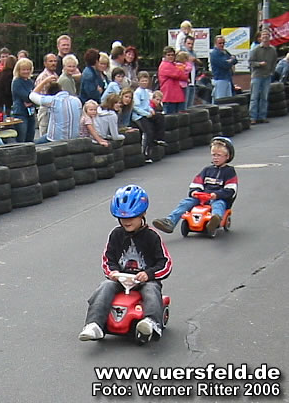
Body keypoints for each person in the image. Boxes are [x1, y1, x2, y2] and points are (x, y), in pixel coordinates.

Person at [78, 184, 172, 342]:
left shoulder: (152, 236)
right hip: (121, 280)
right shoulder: (116, 235)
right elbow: (108, 259)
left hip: (145, 280)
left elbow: (165, 263)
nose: (127, 222)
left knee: (151, 289)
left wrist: (148, 274)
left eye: (131, 217)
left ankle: (151, 322)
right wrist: (113, 272)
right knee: (105, 286)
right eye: (123, 218)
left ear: (142, 214)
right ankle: (94, 324)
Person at [153, 137, 237, 234]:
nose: (215, 158)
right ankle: (170, 221)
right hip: (202, 198)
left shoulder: (229, 172)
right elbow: (197, 182)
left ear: (227, 156)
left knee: (218, 204)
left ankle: (215, 220)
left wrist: (216, 195)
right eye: (213, 155)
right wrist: (195, 192)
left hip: (218, 198)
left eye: (219, 155)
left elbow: (231, 189)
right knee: (186, 202)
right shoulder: (207, 170)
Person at [30, 76, 82, 143]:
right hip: (74, 138)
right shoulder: (76, 100)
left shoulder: (53, 100)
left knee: (34, 144)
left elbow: (32, 96)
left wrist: (45, 81)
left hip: (56, 140)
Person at [133, 71, 167, 162]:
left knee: (160, 117)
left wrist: (151, 110)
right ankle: (146, 154)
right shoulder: (137, 93)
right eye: (142, 81)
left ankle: (159, 138)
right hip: (139, 116)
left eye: (146, 81)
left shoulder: (146, 92)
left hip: (147, 113)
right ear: (139, 82)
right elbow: (136, 107)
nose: (144, 83)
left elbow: (147, 104)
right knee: (148, 132)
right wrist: (146, 113)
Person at [248, 30, 278, 125]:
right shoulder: (255, 49)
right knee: (254, 97)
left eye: (267, 36)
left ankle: (262, 116)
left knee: (264, 97)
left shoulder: (273, 50)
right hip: (257, 76)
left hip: (267, 76)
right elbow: (250, 62)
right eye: (263, 36)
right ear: (260, 38)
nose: (265, 37)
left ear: (269, 37)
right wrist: (259, 64)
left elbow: (274, 62)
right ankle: (253, 117)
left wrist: (271, 72)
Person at [11, 58, 36, 142]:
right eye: (24, 70)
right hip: (20, 113)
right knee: (21, 138)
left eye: (28, 69)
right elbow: (26, 97)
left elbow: (36, 97)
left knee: (30, 137)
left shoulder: (30, 82)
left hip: (31, 113)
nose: (26, 72)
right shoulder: (17, 82)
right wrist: (31, 99)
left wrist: (32, 100)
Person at [158, 46, 188, 114]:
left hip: (176, 96)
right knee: (170, 117)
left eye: (172, 55)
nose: (171, 57)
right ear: (164, 56)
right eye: (168, 55)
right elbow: (181, 75)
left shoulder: (173, 65)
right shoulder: (165, 65)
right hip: (169, 96)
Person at [35, 53, 58, 138]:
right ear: (45, 63)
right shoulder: (43, 77)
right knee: (44, 133)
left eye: (55, 61)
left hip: (54, 108)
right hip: (45, 108)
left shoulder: (55, 75)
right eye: (50, 61)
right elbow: (37, 94)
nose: (53, 63)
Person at [210, 35, 237, 101]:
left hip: (227, 79)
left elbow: (235, 60)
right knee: (220, 101)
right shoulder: (214, 53)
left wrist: (230, 60)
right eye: (220, 43)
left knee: (228, 101)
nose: (222, 45)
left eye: (223, 43)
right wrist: (230, 60)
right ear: (215, 43)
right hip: (220, 79)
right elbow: (225, 65)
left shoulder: (225, 52)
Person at [179, 35, 202, 109]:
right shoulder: (182, 52)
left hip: (193, 80)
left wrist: (195, 60)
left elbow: (199, 63)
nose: (190, 46)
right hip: (186, 81)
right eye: (188, 43)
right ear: (185, 43)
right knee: (185, 103)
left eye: (192, 44)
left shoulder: (193, 53)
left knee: (191, 104)